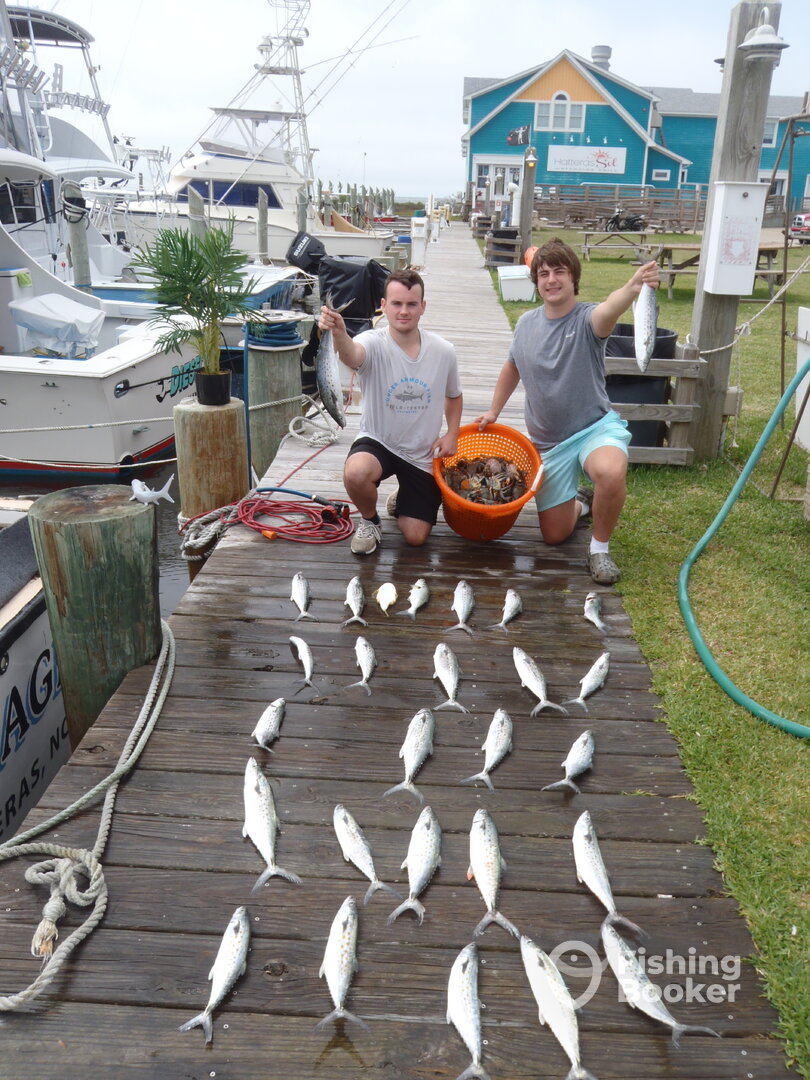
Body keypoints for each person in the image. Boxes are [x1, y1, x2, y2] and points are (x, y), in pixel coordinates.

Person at [474, 238, 659, 584]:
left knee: (609, 471)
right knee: (554, 536)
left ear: (574, 278)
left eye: (560, 271)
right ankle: (582, 503)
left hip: (594, 429)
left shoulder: (588, 319)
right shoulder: (526, 324)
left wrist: (633, 288)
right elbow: (512, 366)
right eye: (543, 274)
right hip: (549, 445)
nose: (551, 280)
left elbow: (610, 309)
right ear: (536, 282)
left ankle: (599, 549)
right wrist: (494, 411)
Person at [318, 268, 462, 555]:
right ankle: (370, 521)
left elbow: (454, 396)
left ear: (423, 307)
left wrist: (452, 434)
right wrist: (339, 332)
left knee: (416, 538)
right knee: (357, 472)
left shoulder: (444, 351)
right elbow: (352, 355)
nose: (404, 311)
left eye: (411, 304)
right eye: (396, 304)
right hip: (379, 441)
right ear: (383, 306)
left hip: (421, 454)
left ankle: (403, 495)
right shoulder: (373, 341)